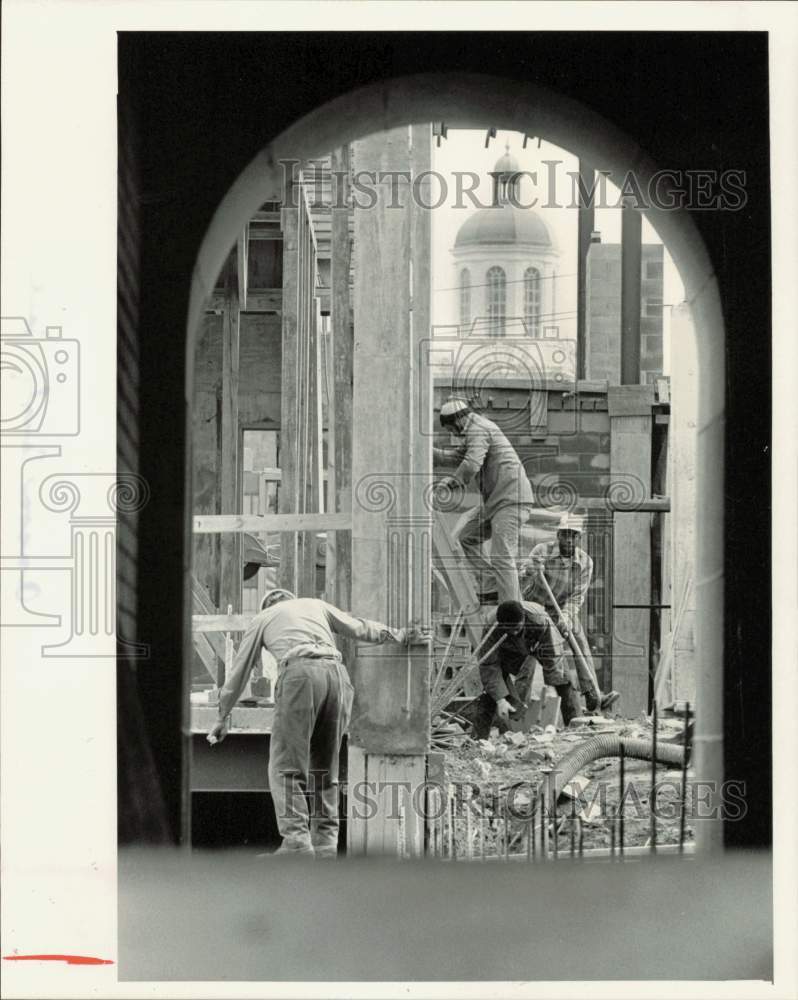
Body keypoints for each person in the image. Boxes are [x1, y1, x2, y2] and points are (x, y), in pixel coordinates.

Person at [208, 588, 429, 857]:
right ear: (291, 599)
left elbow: (239, 670)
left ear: (266, 606)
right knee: (326, 768)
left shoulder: (264, 618)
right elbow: (359, 627)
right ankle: (325, 844)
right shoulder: (314, 605)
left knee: (285, 767)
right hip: (337, 677)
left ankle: (296, 844)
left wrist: (222, 717)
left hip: (300, 675)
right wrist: (402, 635)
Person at [433, 396, 534, 605]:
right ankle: (492, 586)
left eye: (451, 429)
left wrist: (451, 483)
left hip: (510, 500)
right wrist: (425, 450)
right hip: (496, 502)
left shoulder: (478, 429)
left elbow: (470, 465)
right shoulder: (474, 431)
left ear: (458, 421)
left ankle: (511, 609)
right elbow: (455, 458)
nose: (452, 434)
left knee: (503, 555)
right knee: (468, 537)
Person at [520, 513, 619, 713]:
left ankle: (593, 694)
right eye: (565, 534)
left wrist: (565, 617)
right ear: (558, 534)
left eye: (574, 535)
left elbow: (576, 597)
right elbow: (522, 580)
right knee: (536, 650)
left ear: (579, 538)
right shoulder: (542, 551)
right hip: (534, 607)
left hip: (561, 609)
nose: (569, 539)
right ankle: (519, 701)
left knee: (579, 639)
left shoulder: (585, 562)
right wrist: (529, 571)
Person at [467, 599, 583, 739]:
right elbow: (489, 665)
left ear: (523, 619)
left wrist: (552, 685)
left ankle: (578, 730)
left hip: (538, 644)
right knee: (491, 691)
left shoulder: (539, 620)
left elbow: (553, 654)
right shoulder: (491, 627)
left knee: (563, 680)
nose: (515, 632)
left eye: (517, 628)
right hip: (508, 651)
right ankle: (477, 741)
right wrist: (500, 700)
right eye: (510, 630)